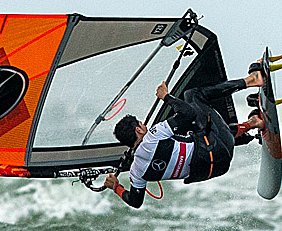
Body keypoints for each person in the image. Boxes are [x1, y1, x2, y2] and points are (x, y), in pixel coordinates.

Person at [104, 65, 268, 209]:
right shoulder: (153, 136)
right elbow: (189, 112)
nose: (144, 126)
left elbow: (135, 201)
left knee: (197, 134)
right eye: (141, 124)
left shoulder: (136, 171)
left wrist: (116, 187)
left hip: (217, 168)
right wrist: (166, 97)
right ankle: (252, 79)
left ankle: (252, 125)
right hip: (217, 146)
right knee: (193, 95)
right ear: (139, 130)